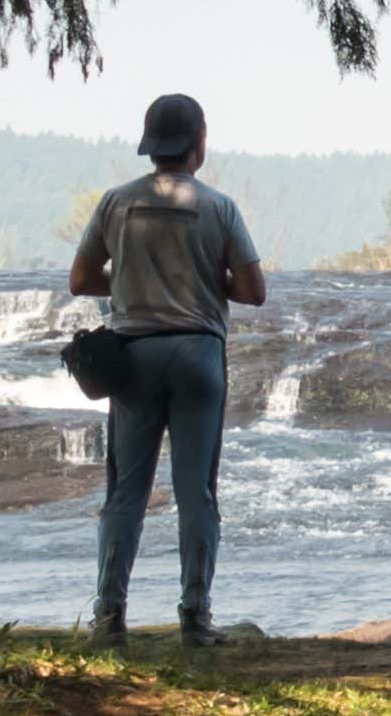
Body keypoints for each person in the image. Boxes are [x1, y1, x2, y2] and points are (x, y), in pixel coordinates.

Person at [69, 92, 267, 647]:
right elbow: (253, 291)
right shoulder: (220, 207)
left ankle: (108, 619)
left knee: (125, 493)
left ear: (150, 145)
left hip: (132, 356)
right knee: (196, 493)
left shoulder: (115, 203)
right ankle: (195, 620)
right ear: (199, 144)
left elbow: (81, 280)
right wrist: (202, 282)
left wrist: (133, 281)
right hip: (198, 355)